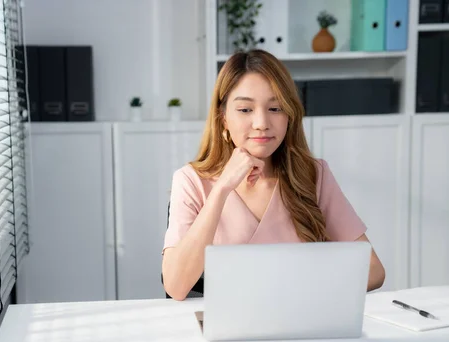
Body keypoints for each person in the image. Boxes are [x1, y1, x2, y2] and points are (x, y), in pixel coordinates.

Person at [161, 49, 385, 301]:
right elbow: (176, 286)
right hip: (229, 333)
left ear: (289, 115)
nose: (261, 123)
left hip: (299, 323)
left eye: (275, 108)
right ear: (223, 118)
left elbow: (373, 270)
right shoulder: (190, 180)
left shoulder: (314, 175)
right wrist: (222, 188)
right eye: (245, 110)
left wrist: (297, 292)